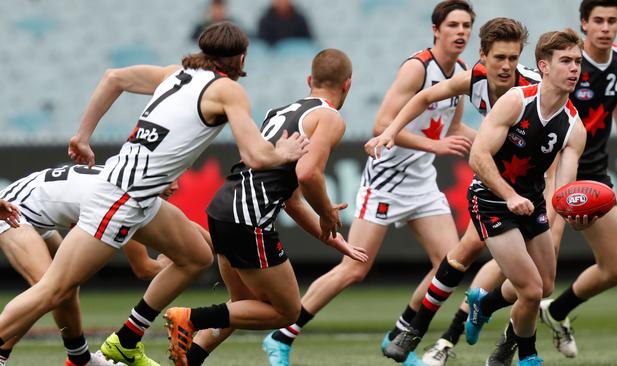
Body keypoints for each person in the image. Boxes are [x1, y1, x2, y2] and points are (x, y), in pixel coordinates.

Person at [0, 21, 307, 366]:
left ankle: (126, 340)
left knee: (195, 256)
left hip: (136, 194)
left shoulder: (176, 74)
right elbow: (256, 156)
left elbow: (112, 78)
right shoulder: (228, 90)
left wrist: (82, 136)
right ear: (241, 58)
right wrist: (285, 152)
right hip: (122, 198)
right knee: (53, 290)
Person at [262, 2, 475, 366]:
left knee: (449, 265)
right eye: (453, 25)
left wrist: (494, 143)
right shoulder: (417, 68)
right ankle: (283, 334)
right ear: (435, 29)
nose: (461, 32)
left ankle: (398, 335)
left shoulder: (464, 72)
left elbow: (453, 130)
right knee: (355, 267)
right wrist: (435, 146)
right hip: (387, 181)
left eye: (467, 26)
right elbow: (382, 126)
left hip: (422, 181)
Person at [162, 48, 368, 366]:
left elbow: (292, 199)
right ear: (348, 85)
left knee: (242, 305)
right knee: (287, 311)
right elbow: (308, 174)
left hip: (222, 206)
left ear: (310, 80)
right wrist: (327, 209)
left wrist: (336, 241)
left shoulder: (279, 112)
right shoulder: (330, 117)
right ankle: (190, 317)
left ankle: (190, 358)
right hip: (248, 218)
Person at [366, 17, 539, 366]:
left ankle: (459, 317)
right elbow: (426, 96)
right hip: (496, 184)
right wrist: (390, 132)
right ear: (483, 56)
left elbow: (561, 132)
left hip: (534, 185)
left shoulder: (534, 86)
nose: (505, 67)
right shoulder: (474, 78)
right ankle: (481, 342)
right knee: (479, 257)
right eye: (498, 58)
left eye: (512, 58)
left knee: (527, 278)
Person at [487, 0, 617, 363]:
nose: (606, 28)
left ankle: (555, 311)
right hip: (556, 171)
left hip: (593, 173)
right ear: (584, 24)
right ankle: (498, 336)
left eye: (613, 21)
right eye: (598, 21)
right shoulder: (565, 64)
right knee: (538, 276)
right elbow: (543, 118)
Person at [459, 29, 589, 366]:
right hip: (489, 199)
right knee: (530, 289)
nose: (574, 68)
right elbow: (478, 157)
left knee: (544, 286)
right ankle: (524, 356)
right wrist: (509, 195)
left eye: (577, 61)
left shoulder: (575, 126)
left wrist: (574, 213)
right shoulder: (516, 100)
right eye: (566, 61)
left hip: (530, 203)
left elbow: (563, 190)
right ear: (544, 66)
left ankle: (483, 305)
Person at [0, 166, 188, 365]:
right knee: (51, 290)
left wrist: (200, 253)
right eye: (169, 178)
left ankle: (79, 360)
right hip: (14, 211)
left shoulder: (132, 185)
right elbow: (144, 268)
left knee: (64, 287)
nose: (176, 186)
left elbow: (197, 243)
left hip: (35, 210)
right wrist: (178, 264)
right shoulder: (126, 201)